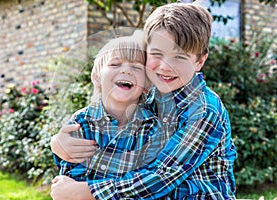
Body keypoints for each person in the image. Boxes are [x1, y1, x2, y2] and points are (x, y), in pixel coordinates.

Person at [51, 2, 237, 200]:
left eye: (179, 57)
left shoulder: (203, 109)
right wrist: (58, 144)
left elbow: (162, 176)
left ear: (200, 61)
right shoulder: (150, 97)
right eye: (157, 54)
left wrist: (88, 191)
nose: (165, 67)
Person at [52, 33, 167, 192]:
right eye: (115, 64)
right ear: (97, 78)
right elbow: (70, 178)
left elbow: (145, 184)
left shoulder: (152, 128)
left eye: (136, 67)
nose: (126, 70)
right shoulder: (82, 123)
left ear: (146, 84)